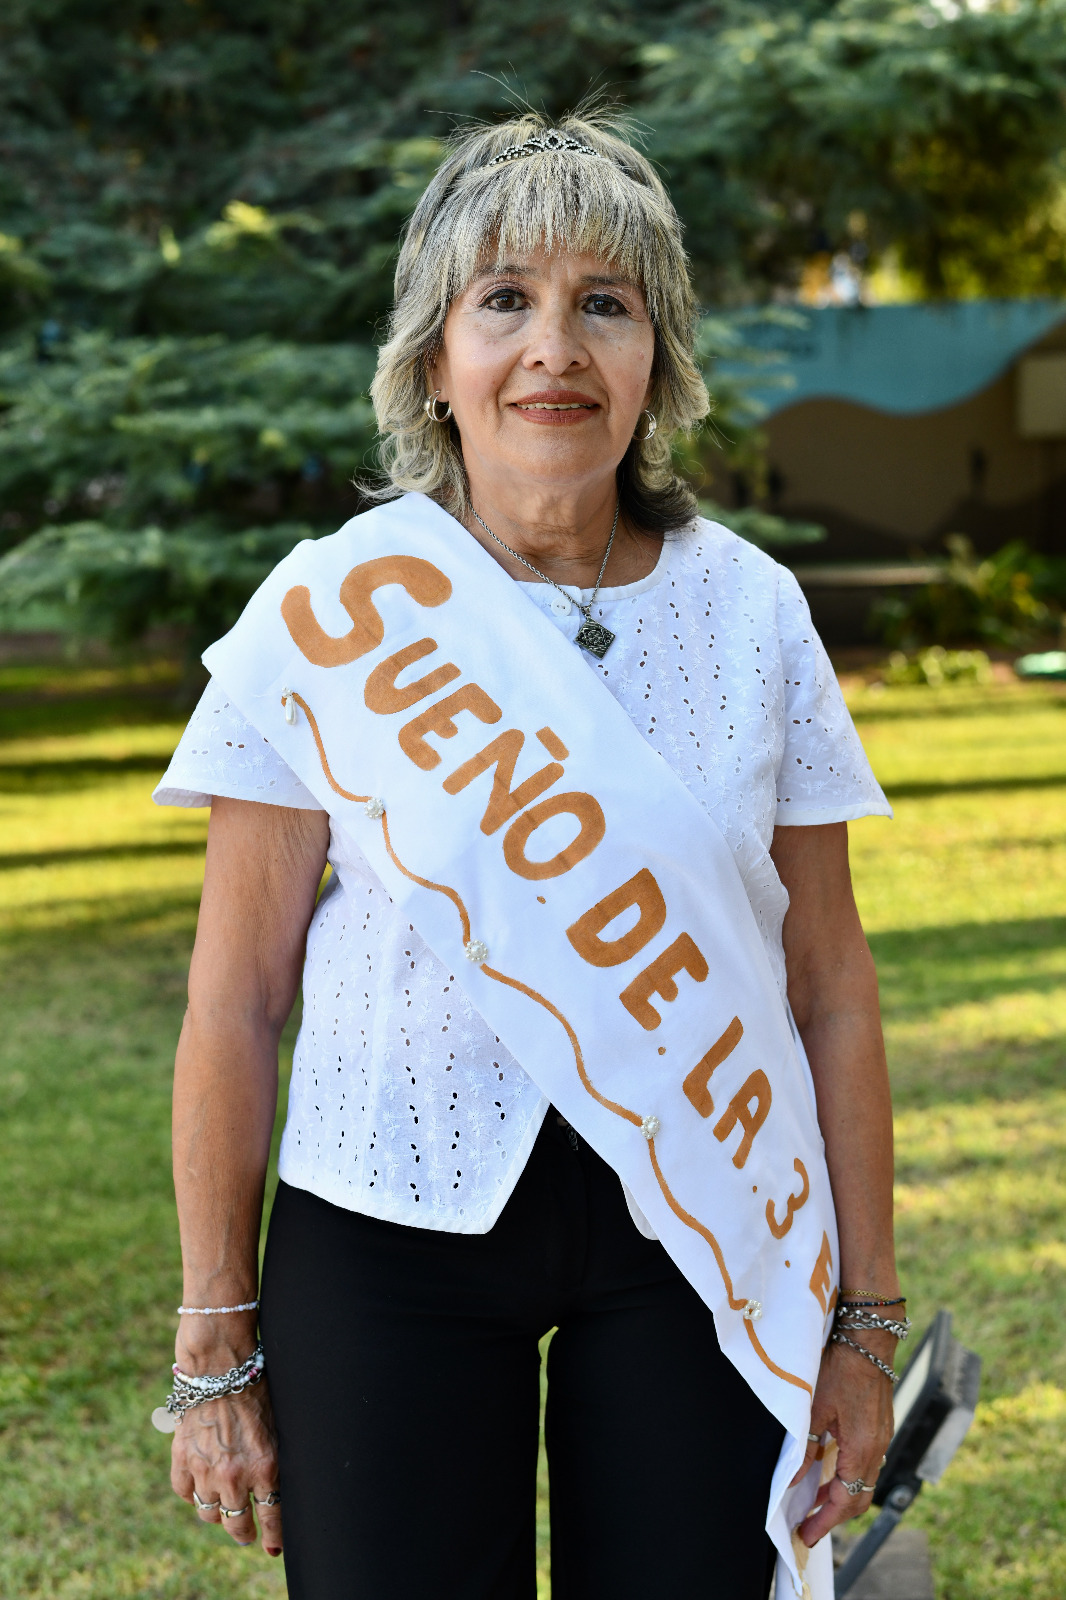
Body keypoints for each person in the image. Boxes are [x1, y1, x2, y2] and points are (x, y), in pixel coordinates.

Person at [152, 112, 905, 1600]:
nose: (553, 347)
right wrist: (215, 1333)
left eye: (602, 303)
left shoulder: (752, 613)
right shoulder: (335, 616)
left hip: (697, 1222)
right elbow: (236, 998)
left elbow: (827, 980)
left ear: (654, 358)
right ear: (435, 359)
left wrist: (864, 1325)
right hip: (388, 1213)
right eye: (504, 300)